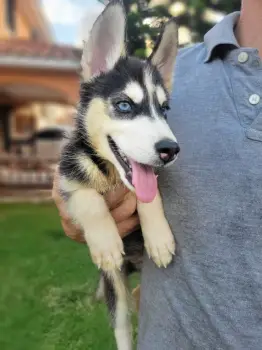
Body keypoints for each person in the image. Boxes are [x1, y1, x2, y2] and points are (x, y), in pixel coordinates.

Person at [52, 1, 262, 348]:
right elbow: (78, 173)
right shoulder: (184, 72)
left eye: (163, 110)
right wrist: (82, 205)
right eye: (124, 105)